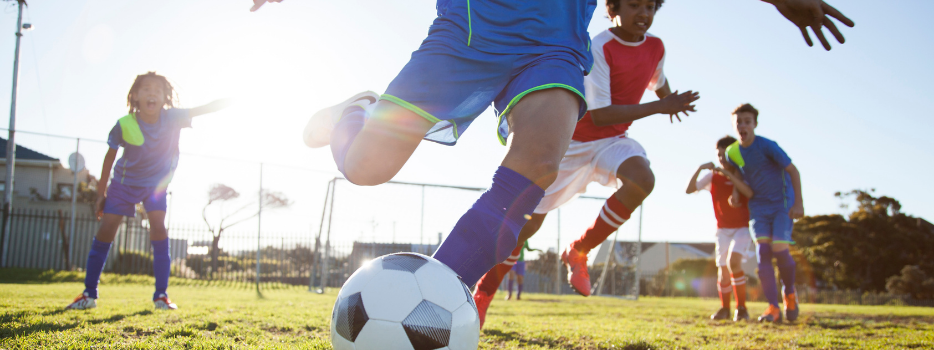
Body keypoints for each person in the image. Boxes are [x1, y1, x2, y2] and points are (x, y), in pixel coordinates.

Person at [275, 0, 852, 314]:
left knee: (538, 164)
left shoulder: (639, 40)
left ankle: (435, 303)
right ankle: (359, 110)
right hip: (465, 33)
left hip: (552, 46)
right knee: (366, 169)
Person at [467, 0, 699, 327]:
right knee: (526, 227)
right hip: (573, 141)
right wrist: (661, 106)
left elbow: (658, 83)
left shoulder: (657, 47)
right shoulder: (601, 46)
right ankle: (483, 293)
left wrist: (670, 100)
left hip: (610, 143)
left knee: (642, 179)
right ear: (613, 8)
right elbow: (600, 115)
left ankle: (579, 250)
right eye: (634, 5)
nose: (644, 14)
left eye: (650, 7)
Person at [66, 72, 231, 310]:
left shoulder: (173, 117)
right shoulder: (124, 124)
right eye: (146, 89)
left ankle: (161, 296)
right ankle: (88, 294)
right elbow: (109, 159)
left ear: (165, 97)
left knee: (158, 227)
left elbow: (204, 108)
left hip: (155, 185)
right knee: (107, 228)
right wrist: (101, 194)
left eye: (157, 89)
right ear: (134, 96)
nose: (151, 92)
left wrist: (232, 100)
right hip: (124, 183)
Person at [726, 103, 804, 323]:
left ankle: (789, 293)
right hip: (758, 207)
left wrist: (798, 203)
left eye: (747, 122)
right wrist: (735, 193)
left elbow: (793, 171)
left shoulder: (768, 146)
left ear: (755, 124)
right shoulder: (733, 151)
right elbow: (738, 172)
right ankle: (773, 307)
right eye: (738, 122)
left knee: (779, 248)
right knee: (763, 254)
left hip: (782, 204)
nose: (742, 126)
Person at [685, 135, 755, 322]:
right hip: (722, 229)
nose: (722, 159)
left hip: (742, 228)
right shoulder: (713, 176)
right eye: (719, 155)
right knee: (722, 268)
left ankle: (741, 308)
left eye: (726, 155)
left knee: (734, 262)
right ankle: (725, 308)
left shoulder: (743, 175)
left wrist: (733, 179)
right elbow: (689, 189)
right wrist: (700, 168)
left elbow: (749, 193)